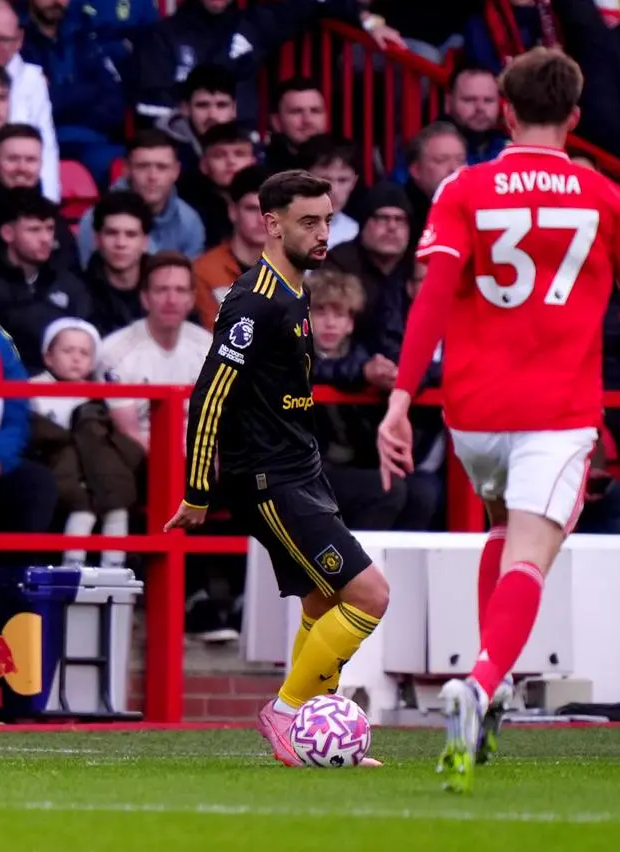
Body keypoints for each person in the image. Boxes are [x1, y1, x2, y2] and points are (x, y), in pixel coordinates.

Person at [375, 48, 620, 793]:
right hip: (558, 411)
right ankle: (476, 688)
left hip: (476, 413)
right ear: (574, 116)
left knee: (502, 532)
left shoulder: (464, 188)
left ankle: (493, 686)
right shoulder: (608, 197)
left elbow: (433, 300)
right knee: (528, 560)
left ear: (505, 110)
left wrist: (401, 400)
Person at [164, 169, 390, 769]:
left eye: (328, 220)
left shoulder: (294, 291)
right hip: (271, 481)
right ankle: (286, 712)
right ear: (272, 224)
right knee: (370, 595)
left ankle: (317, 731)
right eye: (309, 222)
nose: (323, 234)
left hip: (300, 471)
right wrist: (197, 490)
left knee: (321, 605)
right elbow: (208, 395)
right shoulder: (252, 300)